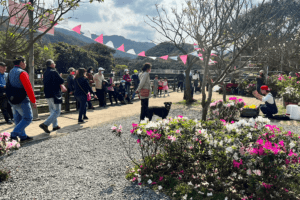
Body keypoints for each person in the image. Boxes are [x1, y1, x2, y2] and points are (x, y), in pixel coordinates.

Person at [6, 56, 36, 142]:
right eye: (25, 62)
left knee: (18, 119)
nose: (25, 64)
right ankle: (13, 134)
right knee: (28, 118)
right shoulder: (22, 73)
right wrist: (33, 101)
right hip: (22, 99)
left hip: (12, 100)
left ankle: (23, 136)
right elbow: (28, 88)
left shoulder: (10, 72)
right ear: (21, 62)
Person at [39, 59, 65, 133]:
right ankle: (45, 124)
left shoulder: (45, 72)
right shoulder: (54, 71)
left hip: (48, 94)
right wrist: (59, 76)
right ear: (51, 64)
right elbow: (62, 81)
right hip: (55, 94)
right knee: (57, 111)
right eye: (54, 63)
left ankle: (55, 126)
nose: (55, 64)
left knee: (52, 111)